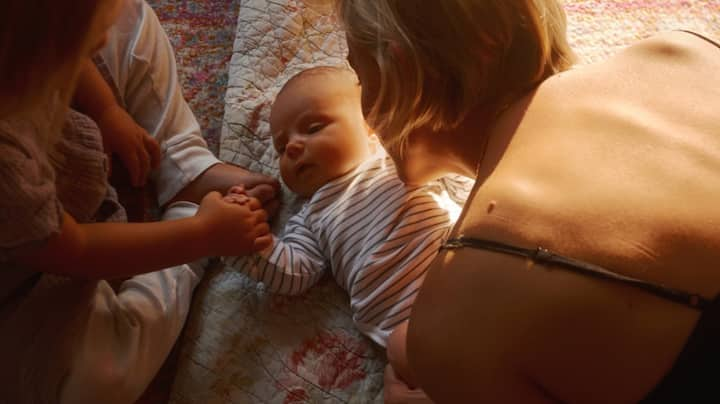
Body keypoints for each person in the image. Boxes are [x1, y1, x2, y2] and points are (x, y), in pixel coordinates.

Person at [336, 0, 720, 403]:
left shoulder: (454, 325)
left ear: (403, 67)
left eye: (360, 74)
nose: (364, 120)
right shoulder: (677, 52)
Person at [0, 0, 279, 402]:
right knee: (98, 381)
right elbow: (75, 249)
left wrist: (108, 110)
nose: (95, 50)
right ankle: (188, 216)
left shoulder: (29, 39)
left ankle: (184, 166)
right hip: (29, 279)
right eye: (84, 47)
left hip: (42, 137)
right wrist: (202, 235)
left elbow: (65, 43)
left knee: (130, 16)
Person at [223, 66, 468, 382]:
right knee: (404, 363)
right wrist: (250, 245)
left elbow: (458, 165)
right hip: (406, 323)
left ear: (369, 124)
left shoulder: (396, 157)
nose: (294, 147)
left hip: (460, 270)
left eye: (312, 128)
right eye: (282, 148)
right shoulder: (310, 217)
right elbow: (294, 274)